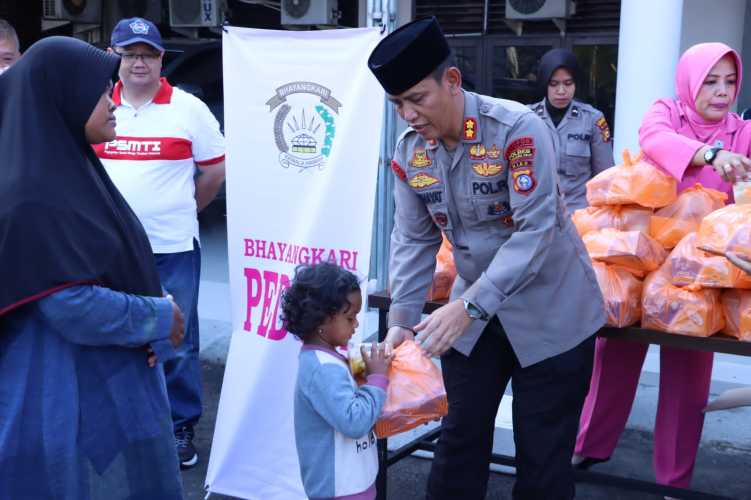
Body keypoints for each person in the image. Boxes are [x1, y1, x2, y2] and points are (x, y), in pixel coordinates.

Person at [367, 17, 607, 500]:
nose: (408, 115)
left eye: (417, 99)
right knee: (457, 442)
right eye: (398, 104)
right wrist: (402, 321)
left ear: (451, 82)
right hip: (475, 319)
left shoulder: (518, 130)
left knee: (541, 458)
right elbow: (412, 240)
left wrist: (469, 306)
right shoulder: (410, 152)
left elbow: (534, 231)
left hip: (552, 313)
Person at [0, 36, 185, 499]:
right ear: (62, 97)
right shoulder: (31, 195)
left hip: (103, 391)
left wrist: (155, 313)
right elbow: (68, 303)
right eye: (101, 91)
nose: (113, 99)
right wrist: (161, 316)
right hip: (67, 403)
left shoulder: (70, 171)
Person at [574, 42, 751, 490]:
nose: (722, 91)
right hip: (643, 260)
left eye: (730, 81)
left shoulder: (743, 133)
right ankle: (588, 446)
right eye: (710, 80)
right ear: (690, 81)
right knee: (613, 354)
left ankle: (674, 479)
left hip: (703, 272)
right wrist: (711, 155)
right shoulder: (667, 113)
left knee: (688, 375)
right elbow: (654, 140)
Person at [94, 16, 226, 469]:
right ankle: (122, 423)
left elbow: (214, 171)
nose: (139, 63)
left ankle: (179, 428)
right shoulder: (93, 106)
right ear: (114, 57)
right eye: (130, 54)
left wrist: (185, 209)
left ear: (161, 59)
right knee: (114, 333)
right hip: (109, 250)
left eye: (147, 54)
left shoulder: (187, 108)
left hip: (172, 246)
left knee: (177, 339)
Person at [281, 263, 390, 500]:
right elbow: (354, 421)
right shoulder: (323, 369)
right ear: (323, 322)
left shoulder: (329, 360)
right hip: (342, 490)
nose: (357, 324)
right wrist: (377, 379)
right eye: (350, 318)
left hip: (352, 484)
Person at [528, 48, 614, 213]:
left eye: (568, 83)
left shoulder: (592, 119)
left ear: (576, 84)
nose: (561, 91)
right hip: (538, 215)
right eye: (554, 84)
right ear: (544, 84)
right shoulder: (526, 118)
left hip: (579, 215)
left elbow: (605, 176)